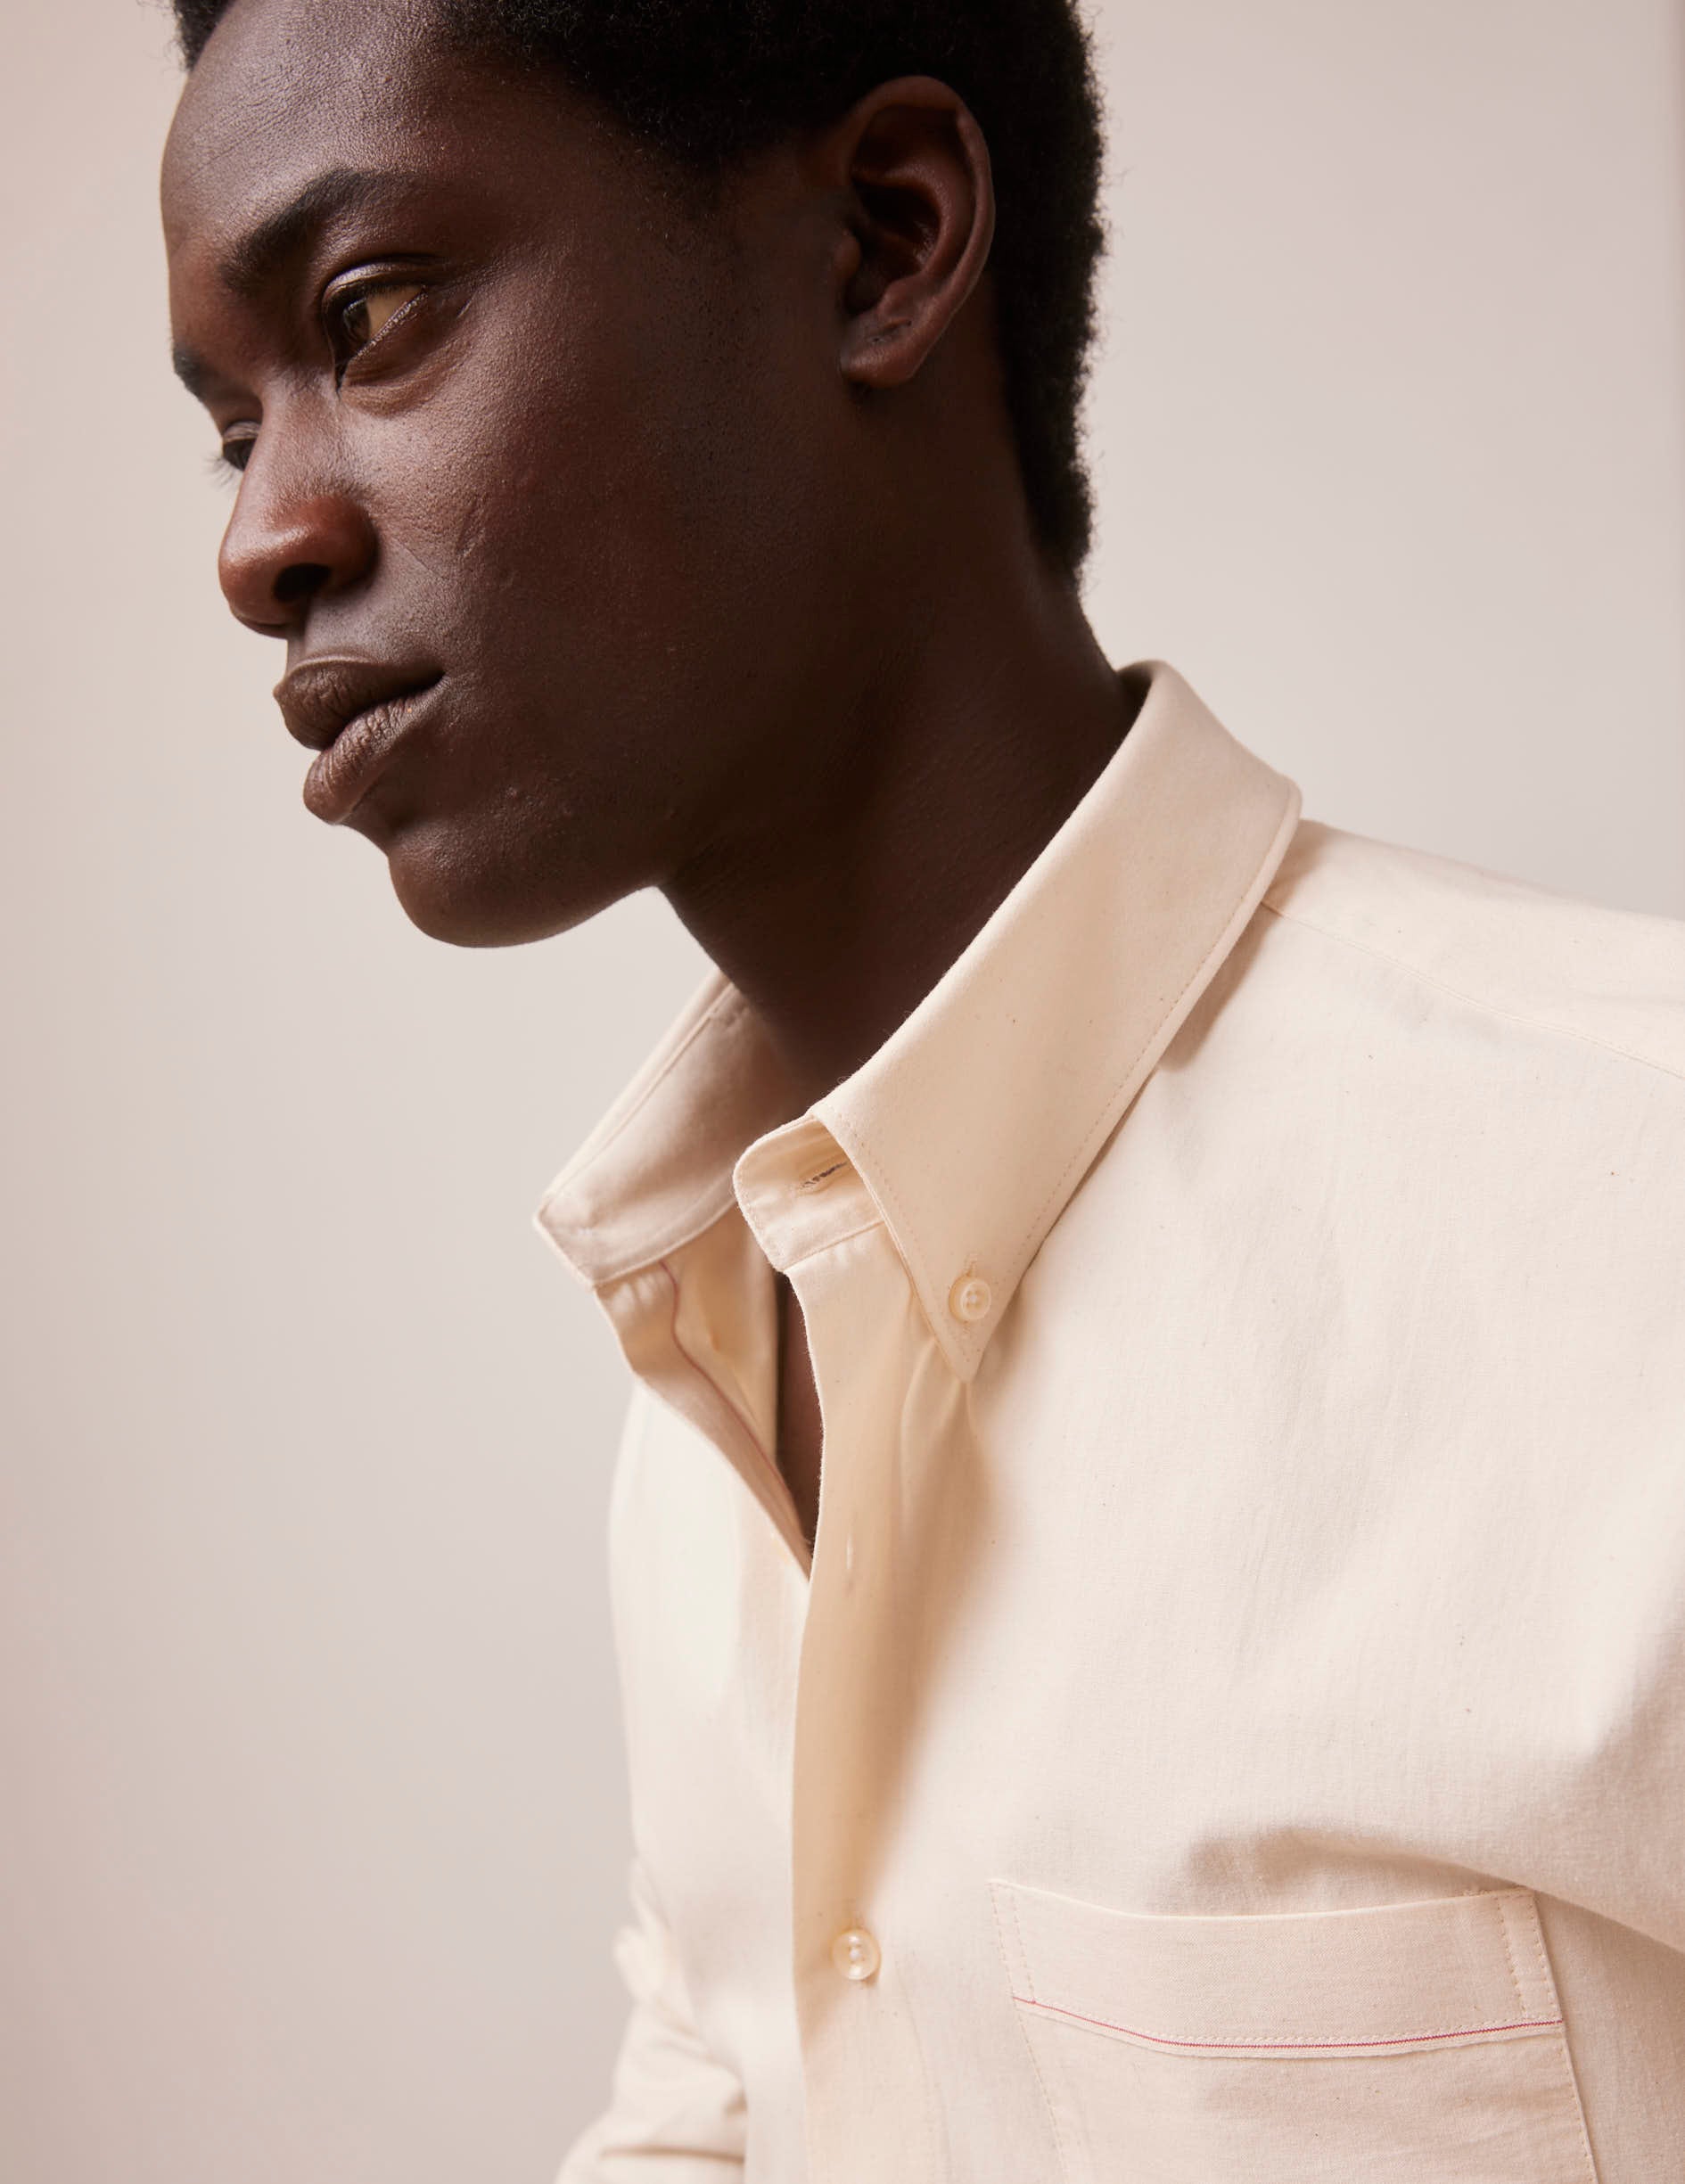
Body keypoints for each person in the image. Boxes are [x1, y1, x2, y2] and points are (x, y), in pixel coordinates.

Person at [160, 0, 1685, 2176]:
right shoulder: (707, 1393)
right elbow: (716, 2104)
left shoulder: (1631, 1225)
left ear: (883, 241)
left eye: (368, 317)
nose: (261, 544)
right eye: (232, 429)